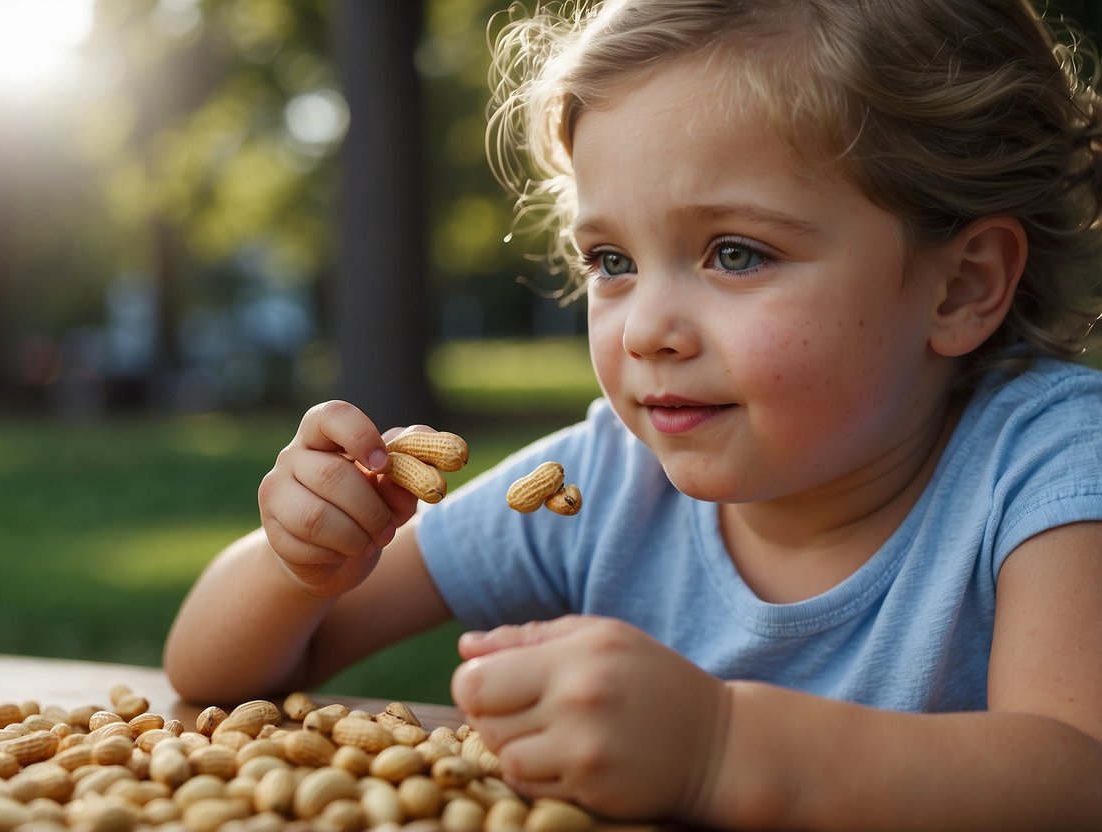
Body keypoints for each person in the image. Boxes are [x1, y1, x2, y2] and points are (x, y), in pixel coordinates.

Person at [164, 1, 1102, 828]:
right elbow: (214, 674)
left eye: (735, 254)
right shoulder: (601, 481)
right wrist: (299, 565)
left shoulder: (1047, 466)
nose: (647, 326)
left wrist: (720, 750)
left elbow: (1076, 778)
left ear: (960, 286)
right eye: (610, 262)